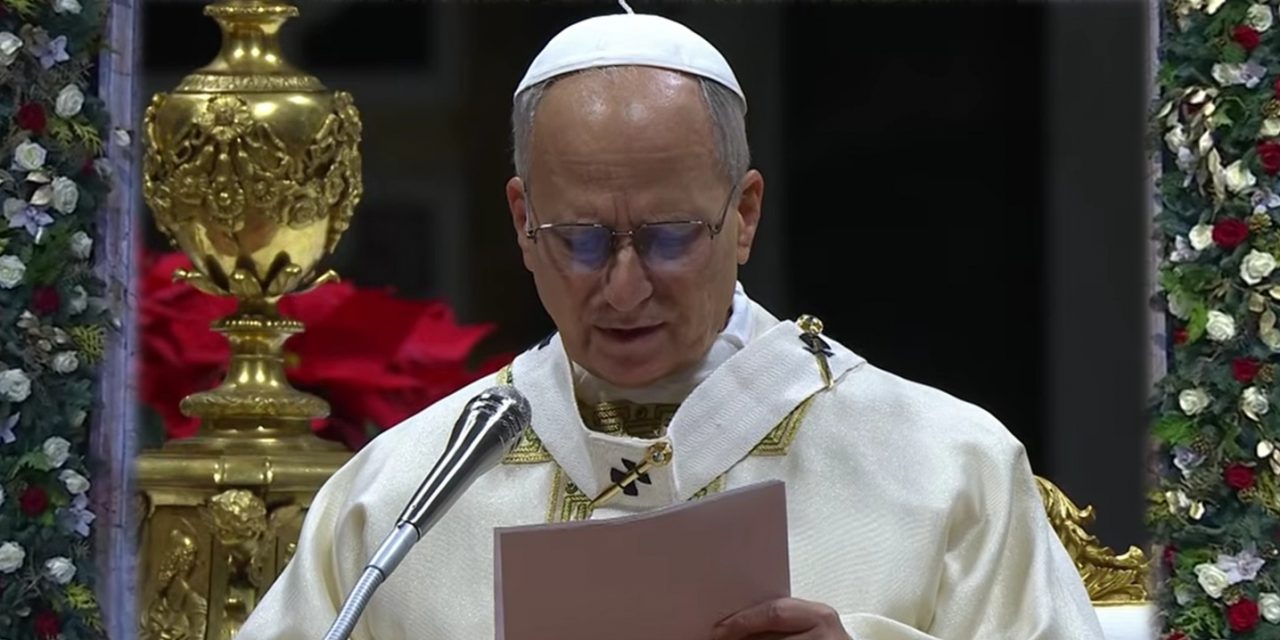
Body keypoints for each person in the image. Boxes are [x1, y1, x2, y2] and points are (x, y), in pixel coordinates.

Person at [237, 9, 1104, 640]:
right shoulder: (398, 498)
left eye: (668, 237)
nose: (622, 289)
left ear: (746, 213)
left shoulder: (946, 469)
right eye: (577, 239)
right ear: (520, 220)